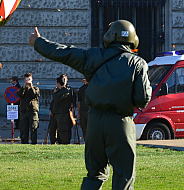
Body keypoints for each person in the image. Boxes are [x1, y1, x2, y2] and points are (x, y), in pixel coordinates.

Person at [29, 20, 151, 190]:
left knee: (94, 174)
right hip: (120, 122)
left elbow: (64, 52)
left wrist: (39, 42)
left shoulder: (93, 56)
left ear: (109, 37)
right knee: (123, 175)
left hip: (94, 122)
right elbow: (143, 99)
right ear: (133, 40)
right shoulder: (138, 64)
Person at [17, 72, 40, 144]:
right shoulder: (22, 89)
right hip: (24, 111)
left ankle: (34, 143)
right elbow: (19, 95)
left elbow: (35, 95)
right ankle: (24, 143)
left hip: (32, 111)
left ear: (32, 79)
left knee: (33, 128)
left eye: (29, 79)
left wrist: (31, 86)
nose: (28, 81)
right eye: (26, 79)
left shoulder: (36, 88)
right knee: (24, 129)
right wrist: (24, 87)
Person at [49, 76, 73, 144]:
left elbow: (58, 99)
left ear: (58, 83)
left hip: (62, 113)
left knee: (63, 129)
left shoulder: (66, 91)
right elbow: (53, 101)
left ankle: (64, 143)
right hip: (55, 112)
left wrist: (54, 93)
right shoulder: (57, 91)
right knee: (52, 129)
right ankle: (53, 142)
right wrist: (51, 109)